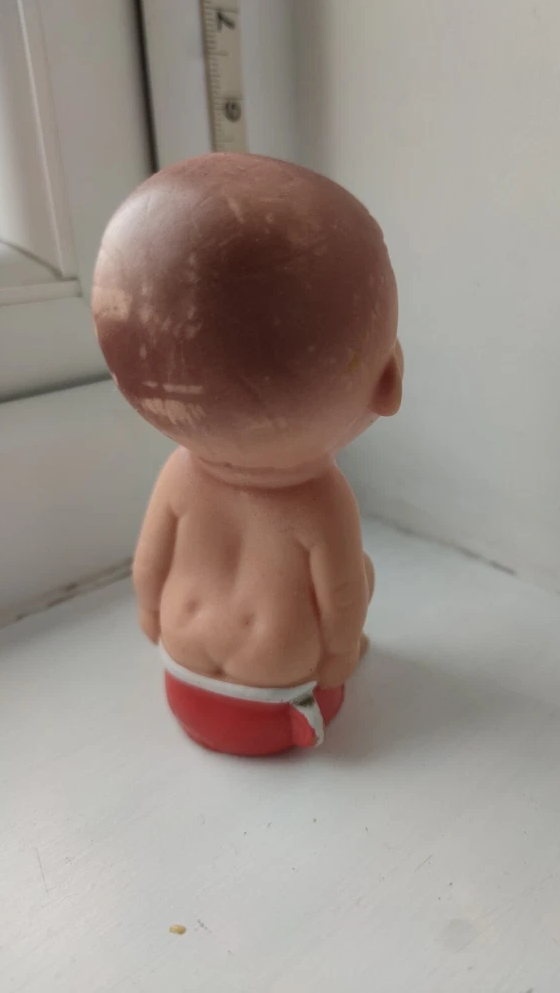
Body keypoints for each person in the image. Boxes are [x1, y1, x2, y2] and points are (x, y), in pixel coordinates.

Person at [92, 153, 402, 754]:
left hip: (184, 680)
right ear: (385, 386)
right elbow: (341, 596)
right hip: (284, 703)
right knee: (361, 571)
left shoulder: (181, 473)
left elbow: (149, 564)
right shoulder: (319, 499)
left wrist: (152, 617)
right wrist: (339, 658)